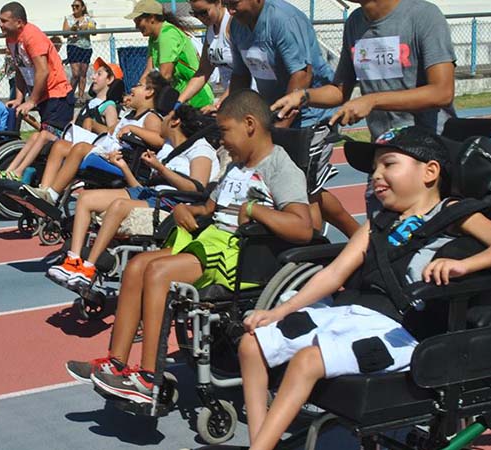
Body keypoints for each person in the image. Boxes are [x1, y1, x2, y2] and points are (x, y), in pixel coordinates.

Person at [235, 126, 491, 450]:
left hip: (401, 329)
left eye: (388, 164)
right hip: (350, 313)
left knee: (307, 361)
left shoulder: (455, 213)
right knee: (251, 345)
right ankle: (263, 443)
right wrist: (277, 311)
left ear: (430, 171)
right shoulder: (380, 222)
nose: (376, 175)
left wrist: (465, 265)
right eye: (374, 168)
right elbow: (333, 274)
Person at [65, 90, 314, 403]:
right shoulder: (236, 167)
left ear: (249, 124)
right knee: (136, 266)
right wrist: (188, 210)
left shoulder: (279, 167)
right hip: (210, 242)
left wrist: (254, 211)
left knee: (157, 272)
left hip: (240, 254)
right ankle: (116, 363)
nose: (221, 141)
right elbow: (209, 209)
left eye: (225, 132)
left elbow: (303, 228)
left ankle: (148, 378)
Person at [271, 0, 457, 218]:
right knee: (380, 236)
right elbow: (340, 91)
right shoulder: (355, 23)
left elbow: (442, 91)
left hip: (427, 156)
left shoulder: (424, 16)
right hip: (384, 154)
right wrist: (303, 96)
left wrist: (373, 100)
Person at [224, 0, 359, 238]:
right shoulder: (237, 26)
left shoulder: (282, 21)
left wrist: (281, 118)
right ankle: (358, 237)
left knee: (305, 194)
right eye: (225, 4)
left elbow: (302, 75)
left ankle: (320, 248)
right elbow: (240, 74)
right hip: (274, 117)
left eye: (234, 3)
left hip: (310, 116)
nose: (230, 10)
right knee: (301, 190)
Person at [47, 105, 221, 287]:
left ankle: (88, 268)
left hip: (171, 201)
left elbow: (197, 189)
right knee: (85, 198)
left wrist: (160, 168)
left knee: (119, 206)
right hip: (151, 194)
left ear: (176, 121)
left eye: (166, 115)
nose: (162, 120)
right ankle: (73, 260)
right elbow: (139, 188)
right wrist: (123, 166)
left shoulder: (201, 149)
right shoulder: (168, 147)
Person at [20, 71, 170, 207]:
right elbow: (111, 132)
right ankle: (44, 190)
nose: (133, 89)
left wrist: (133, 129)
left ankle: (52, 195)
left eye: (139, 85)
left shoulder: (151, 117)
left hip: (121, 160)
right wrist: (93, 124)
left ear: (149, 92)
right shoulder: (130, 116)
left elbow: (158, 140)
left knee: (80, 148)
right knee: (60, 145)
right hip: (106, 149)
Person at [0, 58, 122, 182]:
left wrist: (93, 125)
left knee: (44, 135)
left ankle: (18, 172)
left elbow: (112, 132)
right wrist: (32, 121)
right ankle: (9, 171)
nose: (93, 77)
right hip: (74, 139)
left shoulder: (109, 106)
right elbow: (72, 125)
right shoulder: (89, 104)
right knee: (37, 135)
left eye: (99, 74)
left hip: (87, 146)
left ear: (110, 80)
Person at [0, 2, 75, 132]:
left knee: (53, 141)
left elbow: (43, 71)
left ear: (18, 23)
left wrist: (31, 101)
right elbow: (19, 68)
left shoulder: (32, 36)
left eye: (4, 21)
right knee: (44, 136)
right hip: (42, 96)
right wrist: (19, 98)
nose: (0, 24)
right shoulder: (11, 39)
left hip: (56, 95)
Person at [126, 0, 214, 110]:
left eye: (138, 21)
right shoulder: (153, 38)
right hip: (180, 98)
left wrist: (143, 98)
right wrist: (136, 92)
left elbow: (165, 75)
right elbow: (149, 70)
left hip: (197, 98)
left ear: (152, 18)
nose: (136, 26)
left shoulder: (168, 34)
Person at [178, 0, 235, 112]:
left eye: (204, 12)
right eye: (195, 13)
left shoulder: (232, 24)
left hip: (249, 93)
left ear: (218, 3)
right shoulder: (210, 29)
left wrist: (219, 105)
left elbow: (244, 75)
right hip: (232, 97)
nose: (200, 17)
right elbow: (203, 71)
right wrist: (179, 101)